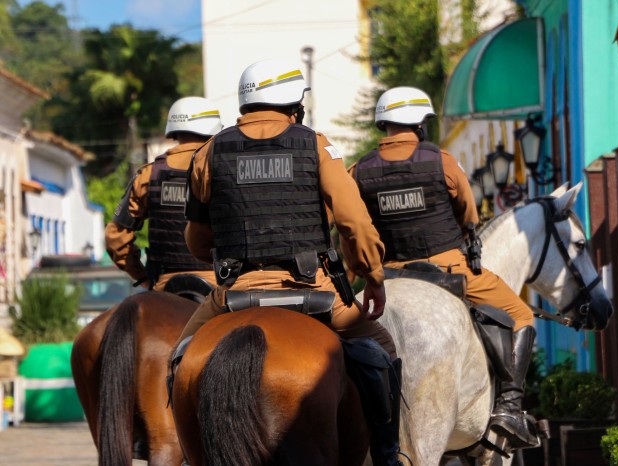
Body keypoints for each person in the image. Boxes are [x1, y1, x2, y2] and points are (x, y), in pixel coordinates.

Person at [174, 59, 404, 466]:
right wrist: (373, 275)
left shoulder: (211, 151)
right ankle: (387, 455)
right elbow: (352, 221)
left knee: (180, 360)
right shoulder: (315, 144)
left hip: (234, 295)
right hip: (313, 292)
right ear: (294, 103)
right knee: (382, 351)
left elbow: (196, 241)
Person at [349, 86, 538, 449]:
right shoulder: (441, 160)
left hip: (388, 274)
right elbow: (468, 211)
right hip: (447, 267)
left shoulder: (360, 170)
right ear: (420, 123)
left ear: (384, 124)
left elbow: (351, 221)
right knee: (520, 313)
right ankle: (510, 406)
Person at [105, 96, 222, 292]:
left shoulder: (149, 174)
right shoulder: (222, 170)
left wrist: (140, 275)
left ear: (174, 130)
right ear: (214, 129)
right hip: (218, 282)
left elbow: (115, 236)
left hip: (164, 284)